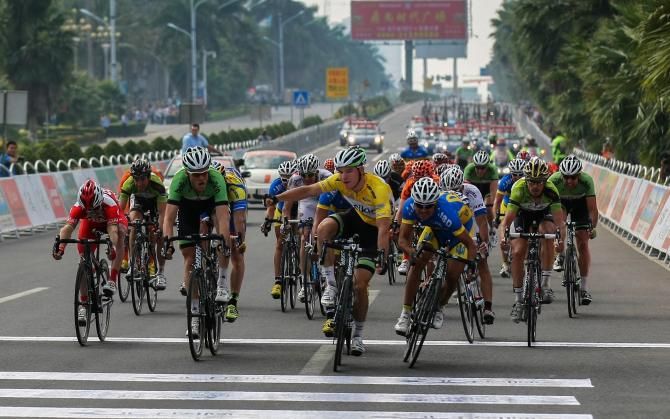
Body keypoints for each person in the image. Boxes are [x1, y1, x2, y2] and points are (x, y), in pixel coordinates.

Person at [275, 146, 392, 356]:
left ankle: (358, 335)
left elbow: (383, 228)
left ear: (361, 171)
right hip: (355, 218)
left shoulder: (379, 189)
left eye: (349, 171)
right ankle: (330, 284)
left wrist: (382, 255)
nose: (343, 175)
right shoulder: (338, 180)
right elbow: (308, 191)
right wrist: (279, 198)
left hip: (374, 230)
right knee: (322, 229)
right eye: (340, 170)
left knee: (360, 285)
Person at [393, 178, 477, 335]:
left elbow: (470, 245)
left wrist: (470, 265)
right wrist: (411, 252)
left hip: (458, 233)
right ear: (414, 202)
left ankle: (440, 307)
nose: (423, 210)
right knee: (417, 264)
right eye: (420, 206)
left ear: (435, 203)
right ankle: (405, 313)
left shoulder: (447, 214)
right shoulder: (409, 207)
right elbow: (403, 239)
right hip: (434, 229)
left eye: (428, 206)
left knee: (453, 275)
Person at [162, 147, 231, 337]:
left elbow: (223, 217)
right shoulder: (179, 180)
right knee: (189, 259)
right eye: (196, 175)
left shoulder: (216, 179)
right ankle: (194, 317)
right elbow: (168, 219)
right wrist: (167, 241)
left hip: (211, 206)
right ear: (187, 174)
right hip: (188, 209)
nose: (201, 178)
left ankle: (222, 282)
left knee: (224, 237)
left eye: (204, 173)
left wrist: (224, 240)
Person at [500, 157, 564, 323]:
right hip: (523, 215)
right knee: (518, 251)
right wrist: (503, 237)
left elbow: (559, 222)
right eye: (532, 182)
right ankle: (519, 301)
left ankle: (545, 284)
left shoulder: (551, 190)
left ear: (545, 182)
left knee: (548, 233)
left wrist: (560, 240)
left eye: (539, 182)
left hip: (544, 214)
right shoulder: (519, 189)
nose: (535, 186)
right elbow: (507, 221)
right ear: (526, 180)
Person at [53, 180, 128, 320]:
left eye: (94, 208)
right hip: (89, 224)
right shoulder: (78, 207)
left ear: (99, 202)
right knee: (82, 262)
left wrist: (112, 245)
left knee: (121, 233)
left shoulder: (109, 204)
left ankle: (112, 279)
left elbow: (112, 230)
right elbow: (68, 228)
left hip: (111, 221)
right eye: (88, 210)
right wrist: (61, 247)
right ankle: (84, 304)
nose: (91, 211)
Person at [440, 165, 496, 324]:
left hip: (472, 225)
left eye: (456, 190)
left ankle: (488, 307)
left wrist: (484, 242)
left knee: (482, 262)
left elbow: (482, 221)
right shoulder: (440, 191)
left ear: (462, 185)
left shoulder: (472, 192)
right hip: (452, 226)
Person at [280, 154, 331, 303]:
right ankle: (304, 282)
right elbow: (287, 206)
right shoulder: (295, 179)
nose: (307, 178)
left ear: (317, 172)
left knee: (323, 233)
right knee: (304, 237)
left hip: (323, 201)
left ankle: (323, 269)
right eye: (304, 175)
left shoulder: (327, 176)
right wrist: (285, 222)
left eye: (310, 175)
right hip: (307, 201)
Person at [549, 155, 598, 305]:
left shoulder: (587, 181)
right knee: (560, 225)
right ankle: (560, 254)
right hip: (561, 203)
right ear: (561, 175)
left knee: (583, 243)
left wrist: (592, 227)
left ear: (579, 175)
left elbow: (592, 210)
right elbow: (550, 207)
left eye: (573, 178)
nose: (569, 181)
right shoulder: (554, 180)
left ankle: (583, 288)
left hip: (580, 205)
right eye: (566, 178)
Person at [118, 159, 168, 290]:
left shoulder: (157, 184)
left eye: (142, 179)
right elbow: (119, 210)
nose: (139, 183)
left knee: (159, 234)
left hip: (154, 204)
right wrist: (122, 225)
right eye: (136, 179)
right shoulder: (129, 183)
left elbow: (163, 213)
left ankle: (160, 272)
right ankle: (132, 264)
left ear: (148, 176)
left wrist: (160, 227)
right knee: (134, 224)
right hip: (138, 202)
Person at [210, 160, 248, 320]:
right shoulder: (205, 184)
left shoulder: (235, 187)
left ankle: (233, 300)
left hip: (232, 204)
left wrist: (237, 240)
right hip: (210, 203)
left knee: (235, 252)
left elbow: (239, 220)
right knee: (203, 228)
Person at [262, 160, 298, 299]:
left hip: (298, 208)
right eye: (284, 179)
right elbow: (270, 207)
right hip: (281, 209)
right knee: (280, 244)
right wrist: (267, 222)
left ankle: (301, 263)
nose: (288, 182)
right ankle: (278, 281)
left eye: (291, 178)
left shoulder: (301, 182)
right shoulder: (275, 186)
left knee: (302, 237)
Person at [493, 159, 527, 278]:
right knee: (504, 233)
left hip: (522, 206)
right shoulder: (505, 181)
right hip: (507, 205)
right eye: (514, 175)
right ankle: (505, 263)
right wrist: (496, 217)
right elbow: (497, 201)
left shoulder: (529, 181)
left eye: (520, 175)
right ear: (510, 173)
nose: (517, 177)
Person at [463, 150, 499, 228]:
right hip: (473, 187)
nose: (480, 170)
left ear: (487, 166)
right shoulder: (469, 169)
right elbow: (465, 188)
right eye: (477, 167)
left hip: (487, 187)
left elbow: (493, 190)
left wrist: (492, 205)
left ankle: (492, 229)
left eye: (483, 168)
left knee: (489, 208)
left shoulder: (493, 169)